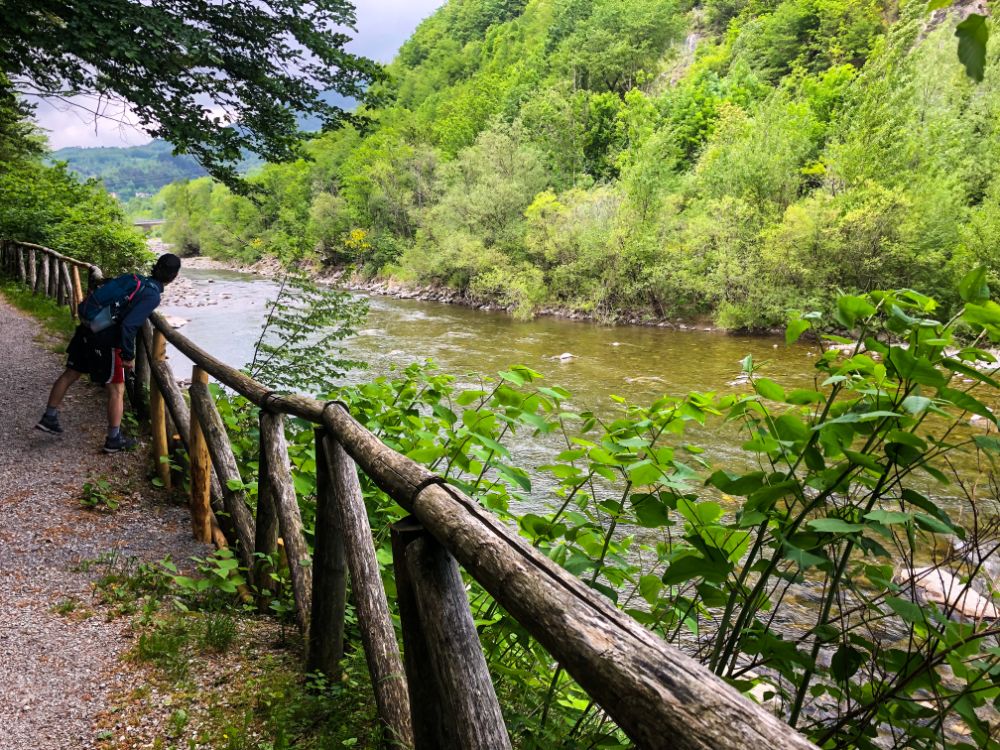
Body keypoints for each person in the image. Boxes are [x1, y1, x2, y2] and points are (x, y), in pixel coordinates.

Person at [36, 253, 182, 452]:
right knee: (116, 389)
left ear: (155, 267)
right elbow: (129, 326)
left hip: (87, 330)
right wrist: (128, 356)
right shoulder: (152, 295)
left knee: (70, 373)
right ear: (173, 276)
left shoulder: (135, 278)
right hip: (107, 340)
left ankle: (49, 416)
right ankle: (114, 439)